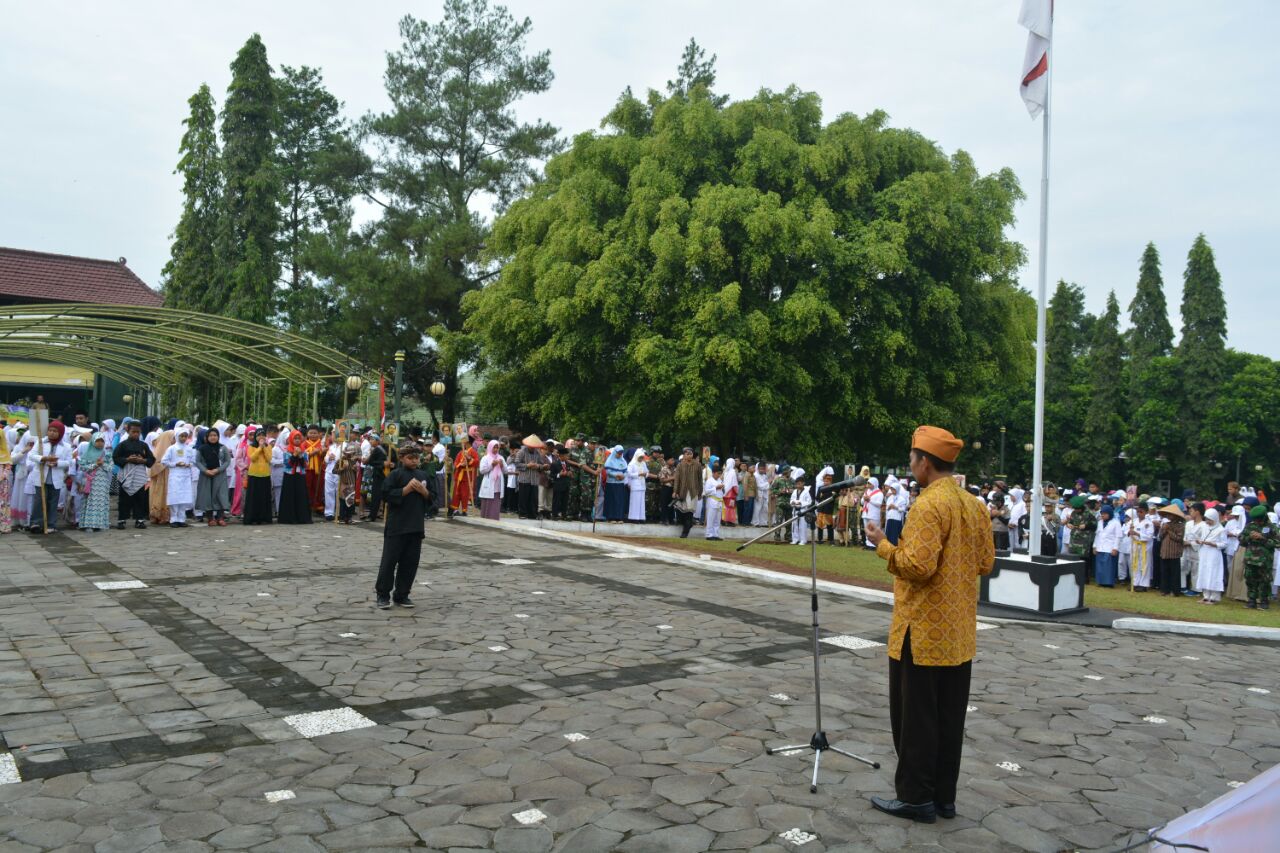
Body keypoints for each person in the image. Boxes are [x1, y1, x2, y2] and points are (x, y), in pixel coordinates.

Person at [865, 425, 994, 824]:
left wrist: (882, 544)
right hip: (958, 634)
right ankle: (943, 798)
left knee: (916, 718)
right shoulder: (974, 505)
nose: (910, 465)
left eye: (911, 459)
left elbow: (917, 566)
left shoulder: (927, 505)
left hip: (919, 633)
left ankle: (916, 797)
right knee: (948, 717)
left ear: (924, 462)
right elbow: (986, 563)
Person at [376, 443, 432, 609]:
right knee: (389, 562)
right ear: (401, 458)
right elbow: (385, 494)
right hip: (397, 526)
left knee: (410, 563)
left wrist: (424, 492)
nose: (414, 461)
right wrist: (405, 490)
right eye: (410, 458)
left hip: (415, 526)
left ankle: (402, 594)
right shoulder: (395, 475)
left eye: (416, 458)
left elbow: (433, 499)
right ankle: (383, 594)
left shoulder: (423, 475)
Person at [112, 421, 154, 529]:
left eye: (138, 432)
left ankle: (139, 519)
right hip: (126, 472)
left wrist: (143, 460)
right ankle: (122, 520)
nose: (136, 434)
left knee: (140, 497)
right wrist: (127, 459)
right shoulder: (122, 445)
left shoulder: (143, 445)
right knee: (124, 498)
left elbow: (151, 459)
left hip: (139, 473)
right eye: (133, 432)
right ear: (128, 431)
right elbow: (115, 458)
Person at [1239, 505, 1278, 609]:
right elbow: (1241, 540)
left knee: (1265, 581)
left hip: (1265, 560)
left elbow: (1277, 543)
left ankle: (1264, 601)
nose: (1257, 522)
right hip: (1250, 559)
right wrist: (1249, 537)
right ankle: (1251, 600)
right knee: (1250, 579)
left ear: (1264, 517)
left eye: (1259, 520)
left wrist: (1262, 538)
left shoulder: (1272, 528)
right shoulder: (1250, 526)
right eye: (1255, 520)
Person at [196, 427, 232, 526]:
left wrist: (218, 470)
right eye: (211, 435)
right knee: (208, 495)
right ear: (207, 437)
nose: (213, 437)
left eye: (215, 435)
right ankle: (210, 518)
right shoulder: (202, 448)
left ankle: (220, 517)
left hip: (219, 475)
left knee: (220, 495)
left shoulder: (222, 448)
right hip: (206, 475)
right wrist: (206, 470)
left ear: (218, 437)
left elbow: (227, 461)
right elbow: (198, 461)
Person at [76, 433, 112, 531]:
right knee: (90, 502)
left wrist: (102, 464)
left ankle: (99, 524)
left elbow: (110, 467)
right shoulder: (87, 453)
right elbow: (83, 467)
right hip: (91, 482)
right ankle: (88, 524)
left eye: (102, 441)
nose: (100, 443)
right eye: (98, 441)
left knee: (101, 502)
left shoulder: (107, 454)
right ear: (93, 441)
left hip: (102, 481)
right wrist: (95, 465)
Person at [277, 430, 313, 525]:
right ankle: (289, 518)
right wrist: (294, 455)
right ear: (291, 439)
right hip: (289, 476)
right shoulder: (286, 450)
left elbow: (305, 465)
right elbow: (287, 464)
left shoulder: (304, 451)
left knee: (300, 496)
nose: (297, 440)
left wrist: (300, 456)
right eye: (295, 438)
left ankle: (301, 517)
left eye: (299, 438)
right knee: (289, 496)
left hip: (300, 476)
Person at [1195, 507, 1226, 604]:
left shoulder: (1221, 529)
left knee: (1213, 574)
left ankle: (1214, 597)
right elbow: (1196, 534)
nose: (1208, 521)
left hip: (1214, 554)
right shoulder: (1204, 526)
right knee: (1204, 572)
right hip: (1204, 552)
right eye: (1207, 519)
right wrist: (1199, 541)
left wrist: (1213, 544)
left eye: (1210, 520)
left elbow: (1224, 544)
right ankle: (1205, 596)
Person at [244, 428, 275, 525]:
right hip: (254, 474)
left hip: (265, 474)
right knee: (254, 497)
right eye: (259, 435)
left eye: (263, 435)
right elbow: (252, 458)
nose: (261, 437)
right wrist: (259, 448)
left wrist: (264, 447)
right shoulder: (251, 446)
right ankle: (252, 517)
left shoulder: (268, 446)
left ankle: (264, 517)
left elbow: (269, 458)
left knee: (264, 497)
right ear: (255, 437)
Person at [1156, 502, 1187, 596]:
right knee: (1164, 572)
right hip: (1165, 551)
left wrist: (1169, 530)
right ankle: (1165, 590)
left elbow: (1179, 539)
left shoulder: (1180, 526)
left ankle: (1175, 591)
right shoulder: (1165, 524)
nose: (1169, 516)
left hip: (1174, 551)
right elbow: (1160, 537)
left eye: (1171, 514)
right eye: (1168, 515)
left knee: (1175, 573)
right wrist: (1163, 530)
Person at [450, 435, 479, 517]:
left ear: (467, 442)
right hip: (459, 475)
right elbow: (455, 464)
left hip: (467, 476)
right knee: (456, 493)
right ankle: (455, 510)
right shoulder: (460, 453)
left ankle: (464, 510)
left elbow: (476, 462)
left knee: (465, 494)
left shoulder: (473, 452)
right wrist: (461, 464)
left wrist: (469, 459)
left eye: (464, 441)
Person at [477, 439, 506, 520]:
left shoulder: (501, 458)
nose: (496, 449)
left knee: (495, 504)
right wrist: (491, 465)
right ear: (490, 447)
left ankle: (494, 519)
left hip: (498, 485)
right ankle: (485, 519)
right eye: (494, 447)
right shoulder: (485, 458)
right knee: (487, 503)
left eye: (497, 448)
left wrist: (502, 465)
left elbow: (506, 471)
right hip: (488, 484)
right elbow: (482, 470)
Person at [362, 434, 388, 522]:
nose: (370, 441)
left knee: (376, 496)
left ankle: (372, 515)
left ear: (377, 441)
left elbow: (371, 461)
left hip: (379, 474)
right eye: (370, 439)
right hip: (380, 474)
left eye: (372, 439)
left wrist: (366, 460)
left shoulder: (377, 449)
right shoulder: (378, 449)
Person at [602, 445, 628, 523]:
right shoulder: (610, 460)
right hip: (611, 483)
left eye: (621, 453)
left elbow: (626, 471)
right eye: (618, 453)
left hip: (620, 483)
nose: (620, 455)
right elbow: (608, 471)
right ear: (615, 452)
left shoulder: (623, 461)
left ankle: (619, 517)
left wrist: (623, 476)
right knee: (612, 499)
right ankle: (611, 517)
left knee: (619, 500)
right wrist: (615, 475)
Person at [703, 461, 725, 540]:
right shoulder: (709, 480)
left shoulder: (720, 480)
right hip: (712, 501)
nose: (719, 475)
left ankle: (716, 534)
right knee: (710, 518)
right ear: (713, 473)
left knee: (717, 520)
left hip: (719, 501)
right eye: (718, 473)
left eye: (720, 473)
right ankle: (709, 534)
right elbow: (706, 491)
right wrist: (716, 488)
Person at [771, 466, 794, 542]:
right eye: (789, 471)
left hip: (789, 503)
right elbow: (772, 490)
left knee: (789, 521)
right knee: (779, 521)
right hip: (780, 503)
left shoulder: (792, 480)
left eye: (790, 471)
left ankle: (788, 536)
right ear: (785, 472)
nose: (790, 473)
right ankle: (777, 536)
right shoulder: (778, 480)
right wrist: (780, 491)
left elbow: (796, 489)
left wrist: (792, 491)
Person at [626, 448, 649, 523]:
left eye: (642, 457)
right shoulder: (631, 464)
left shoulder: (643, 463)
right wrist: (638, 474)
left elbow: (647, 471)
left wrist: (646, 474)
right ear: (636, 456)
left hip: (642, 485)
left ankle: (641, 517)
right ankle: (634, 518)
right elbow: (629, 474)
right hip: (635, 485)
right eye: (640, 457)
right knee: (635, 502)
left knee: (641, 503)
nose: (641, 459)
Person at [790, 473, 812, 546]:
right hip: (795, 510)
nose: (798, 485)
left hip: (803, 510)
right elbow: (791, 499)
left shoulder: (806, 492)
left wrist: (801, 503)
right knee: (794, 525)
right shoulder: (794, 491)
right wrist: (792, 502)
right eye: (797, 484)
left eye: (800, 483)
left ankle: (803, 540)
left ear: (803, 483)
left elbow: (809, 501)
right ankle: (795, 539)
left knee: (802, 526)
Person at [550, 445, 572, 519]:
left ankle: (564, 514)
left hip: (566, 484)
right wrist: (559, 474)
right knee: (556, 500)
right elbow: (552, 475)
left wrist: (569, 474)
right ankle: (554, 514)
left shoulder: (567, 463)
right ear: (562, 456)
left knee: (565, 500)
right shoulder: (554, 464)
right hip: (558, 485)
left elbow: (568, 472)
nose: (567, 457)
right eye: (566, 455)